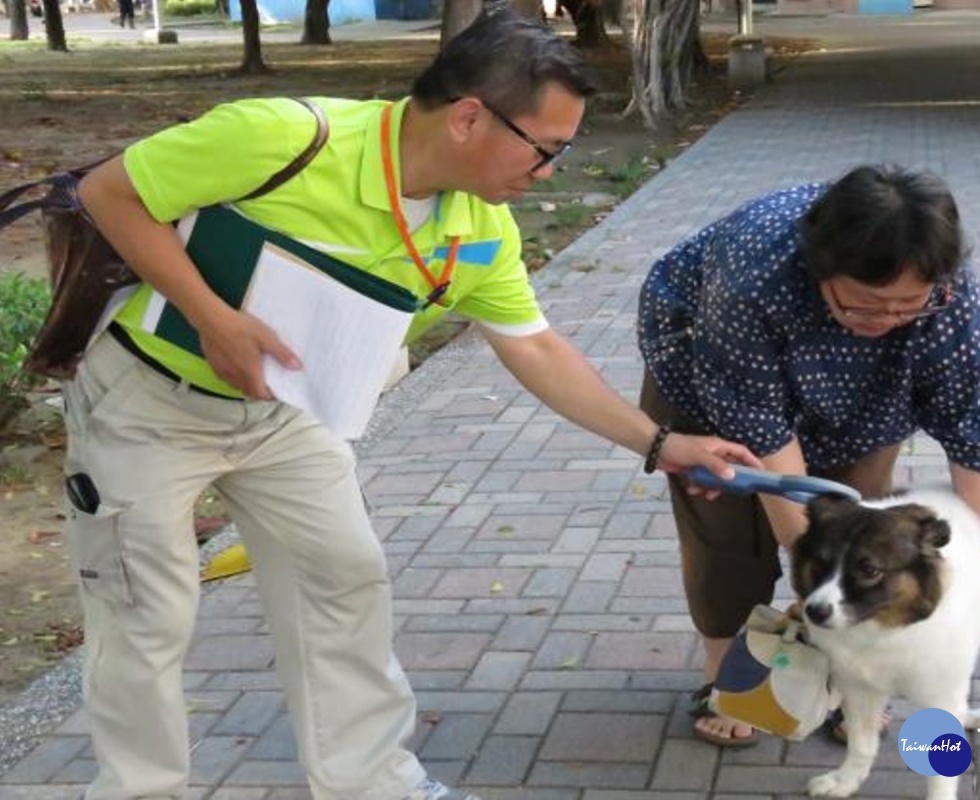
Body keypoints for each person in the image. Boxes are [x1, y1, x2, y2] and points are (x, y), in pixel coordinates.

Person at [69, 11, 756, 800]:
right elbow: (108, 192)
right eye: (545, 150)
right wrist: (211, 316)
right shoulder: (285, 137)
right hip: (148, 403)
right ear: (469, 116)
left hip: (288, 417)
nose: (550, 173)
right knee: (143, 616)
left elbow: (536, 349)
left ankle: (372, 783)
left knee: (344, 581)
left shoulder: (478, 230)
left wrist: (663, 443)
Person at [636, 164, 980, 749]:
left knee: (864, 525)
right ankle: (730, 678)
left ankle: (850, 682)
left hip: (868, 400)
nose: (887, 320)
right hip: (718, 387)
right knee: (727, 534)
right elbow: (764, 443)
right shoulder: (754, 275)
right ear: (820, 272)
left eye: (906, 306)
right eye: (865, 305)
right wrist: (814, 573)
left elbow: (978, 433)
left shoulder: (951, 301)